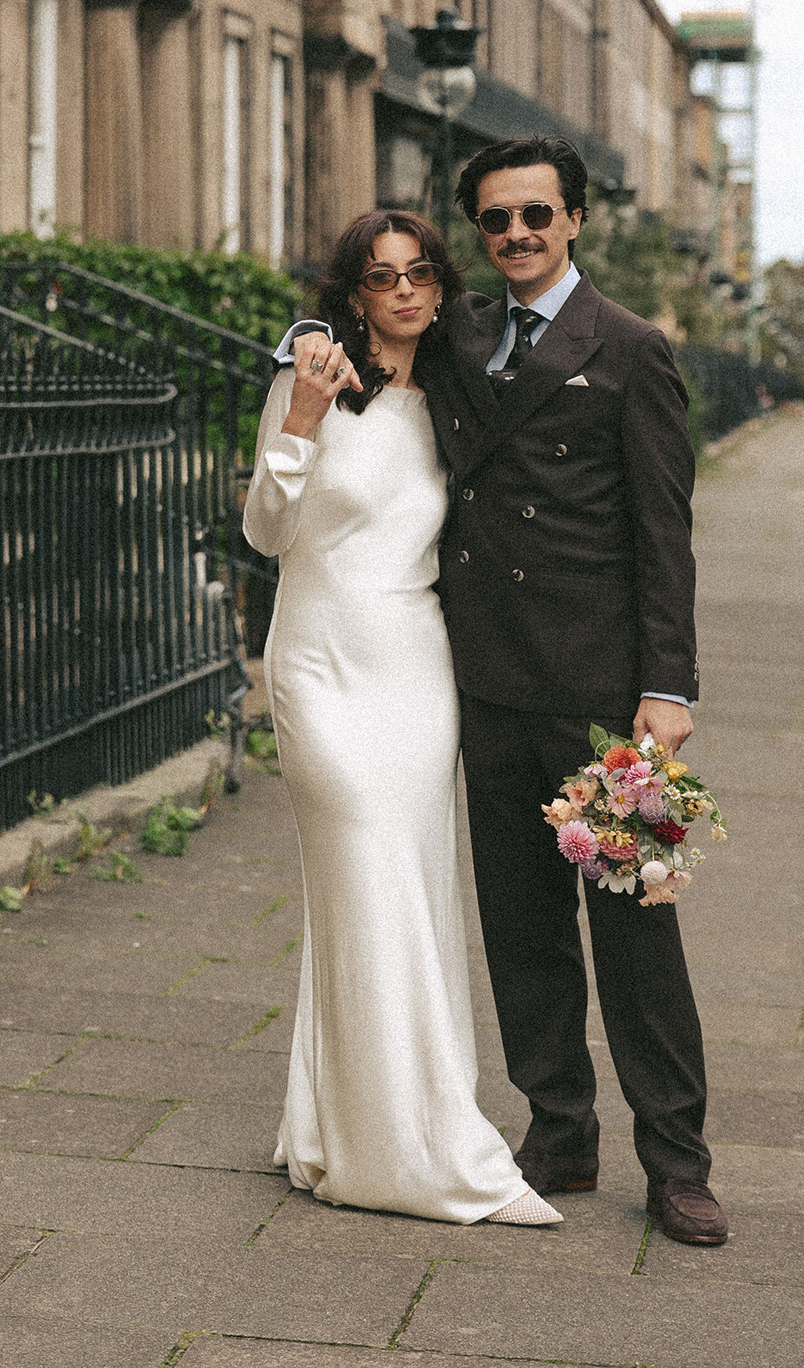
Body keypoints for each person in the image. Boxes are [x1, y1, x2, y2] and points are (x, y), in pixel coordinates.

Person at [290, 138, 724, 1246]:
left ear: (575, 219)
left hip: (605, 700)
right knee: (524, 932)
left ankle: (676, 1161)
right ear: (477, 235)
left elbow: (663, 533)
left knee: (638, 934)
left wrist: (667, 689)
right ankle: (561, 1133)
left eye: (536, 215)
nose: (517, 235)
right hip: (479, 683)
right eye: (495, 221)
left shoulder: (631, 349)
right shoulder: (462, 331)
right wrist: (304, 338)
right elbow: (355, 321)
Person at [243, 209, 561, 1227]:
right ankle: (396, 1155)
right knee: (368, 875)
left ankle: (331, 1128)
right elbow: (264, 528)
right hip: (321, 660)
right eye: (384, 278)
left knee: (407, 896)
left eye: (422, 273)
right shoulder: (315, 382)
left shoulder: (458, 398)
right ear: (353, 292)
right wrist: (299, 413)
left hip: (419, 671)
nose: (407, 292)